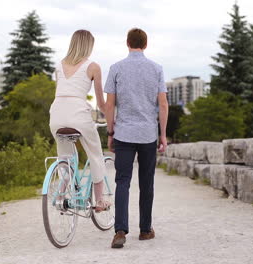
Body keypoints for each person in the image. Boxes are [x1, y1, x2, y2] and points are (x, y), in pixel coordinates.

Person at [104, 28, 169, 248]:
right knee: (146, 182)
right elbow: (162, 104)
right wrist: (163, 134)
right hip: (148, 134)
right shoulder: (157, 69)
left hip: (123, 132)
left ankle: (120, 231)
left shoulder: (116, 68)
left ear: (127, 43)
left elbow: (110, 105)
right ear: (146, 44)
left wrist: (110, 133)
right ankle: (145, 230)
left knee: (122, 181)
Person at [49, 29, 110, 212]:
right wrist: (111, 119)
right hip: (78, 114)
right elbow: (101, 103)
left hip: (56, 115)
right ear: (88, 46)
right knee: (96, 154)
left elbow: (61, 93)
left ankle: (60, 196)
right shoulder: (93, 67)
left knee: (65, 158)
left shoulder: (59, 65)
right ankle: (99, 201)